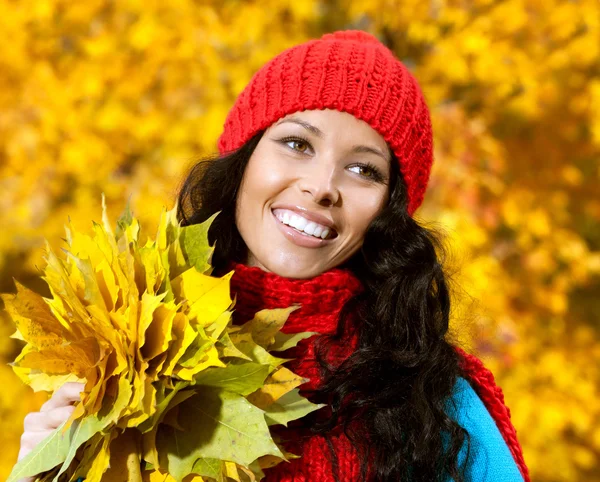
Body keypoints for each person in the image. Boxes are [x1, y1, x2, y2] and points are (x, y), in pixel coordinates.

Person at [16, 30, 529, 481]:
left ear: (387, 212)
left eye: (363, 170)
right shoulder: (131, 344)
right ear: (244, 160)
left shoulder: (433, 396)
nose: (321, 186)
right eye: (297, 144)